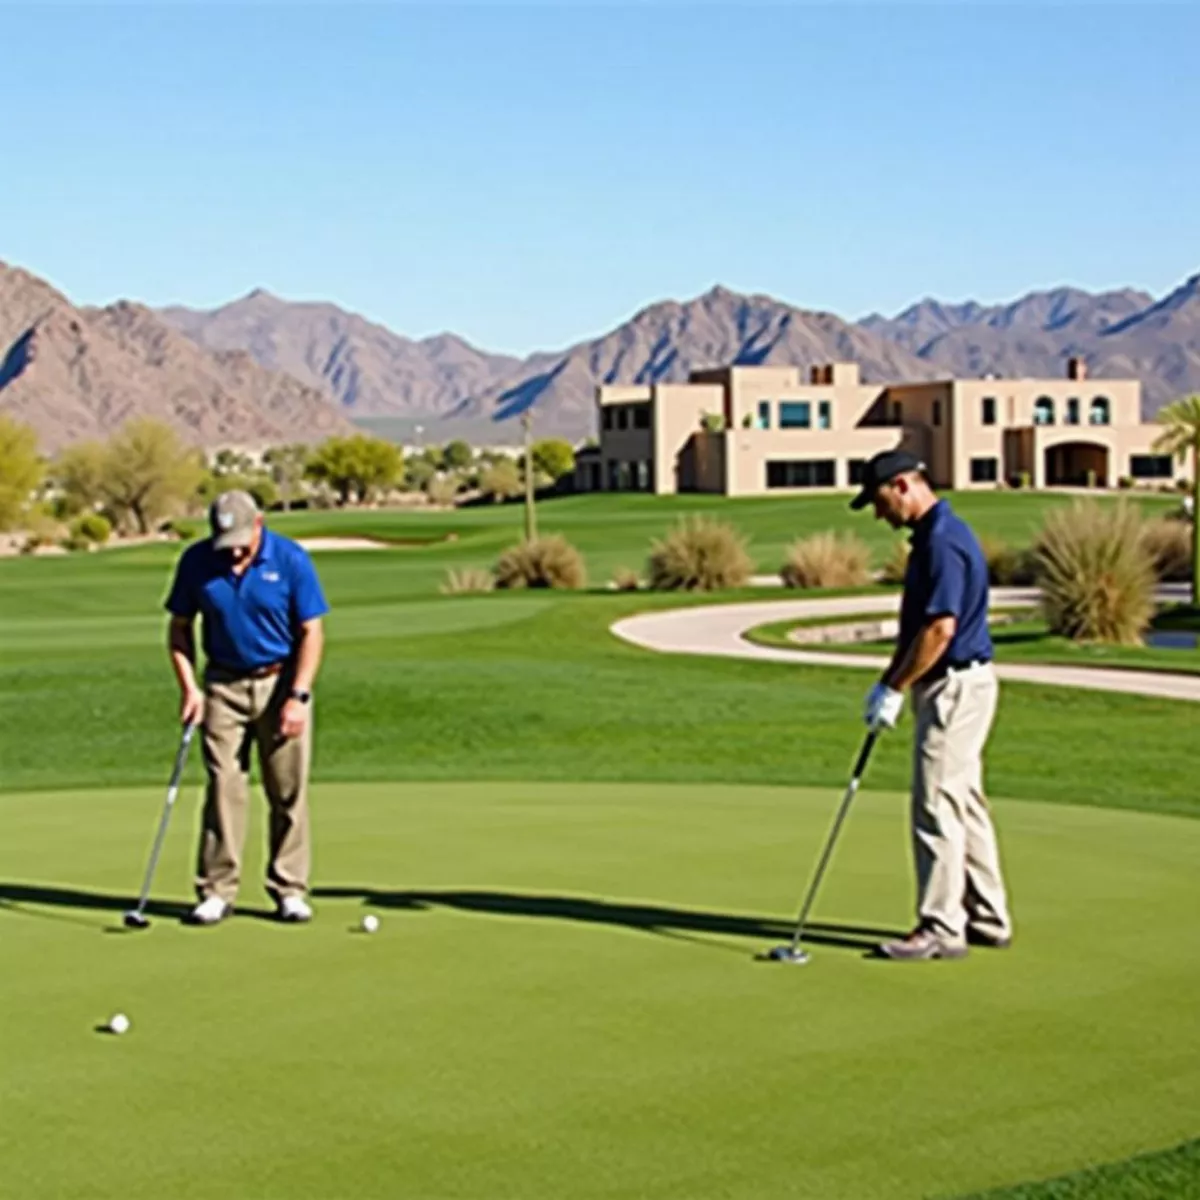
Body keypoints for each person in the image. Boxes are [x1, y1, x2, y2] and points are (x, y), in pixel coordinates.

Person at [850, 448, 1013, 960]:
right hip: (966, 683)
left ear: (901, 486)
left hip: (954, 687)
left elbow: (940, 629)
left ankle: (942, 926)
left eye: (878, 501)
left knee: (937, 802)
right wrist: (890, 681)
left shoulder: (941, 541)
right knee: (964, 802)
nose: (878, 514)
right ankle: (988, 916)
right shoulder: (938, 534)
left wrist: (895, 689)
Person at [163, 490, 329, 925]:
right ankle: (217, 890)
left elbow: (312, 632)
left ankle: (289, 888)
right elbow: (179, 629)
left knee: (287, 789)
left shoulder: (291, 559)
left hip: (281, 683)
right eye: (225, 541)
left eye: (241, 540)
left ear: (260, 524)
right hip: (222, 685)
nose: (234, 552)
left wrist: (299, 696)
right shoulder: (197, 562)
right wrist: (189, 688)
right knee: (223, 788)